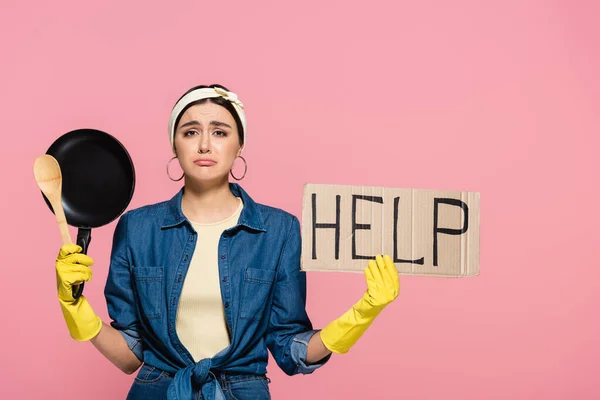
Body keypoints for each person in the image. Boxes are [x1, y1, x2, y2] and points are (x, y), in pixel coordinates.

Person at [54, 84, 401, 400]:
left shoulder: (279, 231)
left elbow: (289, 347)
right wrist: (75, 308)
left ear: (239, 146)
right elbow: (130, 355)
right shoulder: (137, 228)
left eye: (220, 132)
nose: (205, 144)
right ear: (175, 144)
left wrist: (362, 312)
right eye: (191, 132)